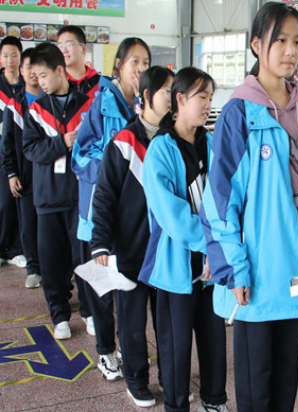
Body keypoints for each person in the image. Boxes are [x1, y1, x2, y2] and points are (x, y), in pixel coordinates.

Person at [200, 3, 298, 411]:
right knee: (257, 391)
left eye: (297, 42)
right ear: (257, 45)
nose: (290, 51)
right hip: (256, 276)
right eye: (280, 41)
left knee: (286, 386)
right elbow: (220, 202)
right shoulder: (239, 113)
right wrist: (234, 267)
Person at [139, 67, 230, 412]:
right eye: (201, 96)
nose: (208, 104)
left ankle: (214, 402)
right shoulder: (161, 150)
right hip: (176, 269)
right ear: (179, 99)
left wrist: (219, 249)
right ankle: (176, 406)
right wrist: (212, 246)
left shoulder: (212, 143)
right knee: (175, 350)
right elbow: (171, 214)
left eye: (210, 97)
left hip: (212, 267)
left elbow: (225, 197)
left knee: (214, 343)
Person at [91, 65, 173, 408]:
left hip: (169, 253)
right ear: (145, 97)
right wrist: (101, 242)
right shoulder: (124, 142)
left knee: (169, 326)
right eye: (167, 92)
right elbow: (105, 195)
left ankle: (172, 382)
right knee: (132, 322)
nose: (173, 98)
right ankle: (136, 380)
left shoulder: (176, 141)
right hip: (132, 251)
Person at [72, 37, 150, 379]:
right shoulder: (100, 105)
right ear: (118, 64)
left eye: (146, 63)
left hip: (133, 220)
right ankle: (106, 352)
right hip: (100, 214)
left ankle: (129, 351)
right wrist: (110, 167)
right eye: (135, 62)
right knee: (103, 291)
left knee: (129, 290)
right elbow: (78, 156)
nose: (141, 69)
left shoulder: (147, 107)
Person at [22, 42, 92, 340]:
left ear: (60, 71)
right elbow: (30, 149)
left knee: (84, 258)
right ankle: (59, 314)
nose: (39, 82)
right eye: (35, 77)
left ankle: (90, 311)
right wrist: (61, 142)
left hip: (80, 198)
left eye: (43, 75)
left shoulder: (88, 104)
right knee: (51, 261)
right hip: (48, 199)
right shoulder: (36, 109)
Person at [1, 47, 41, 288]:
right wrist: (12, 173)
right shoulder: (15, 107)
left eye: (38, 69)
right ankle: (34, 268)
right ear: (22, 72)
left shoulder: (50, 103)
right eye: (29, 68)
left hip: (49, 176)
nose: (34, 73)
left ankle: (53, 266)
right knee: (27, 223)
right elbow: (6, 144)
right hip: (25, 176)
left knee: (50, 225)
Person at [0, 35, 26, 269]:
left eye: (14, 55)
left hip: (19, 151)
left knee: (17, 199)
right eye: (6, 55)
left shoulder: (25, 86)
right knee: (2, 202)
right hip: (2, 151)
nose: (10, 60)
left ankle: (16, 249)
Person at [56, 25, 100, 101]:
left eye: (69, 44)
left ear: (84, 48)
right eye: (60, 46)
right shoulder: (55, 84)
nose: (64, 50)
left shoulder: (100, 84)